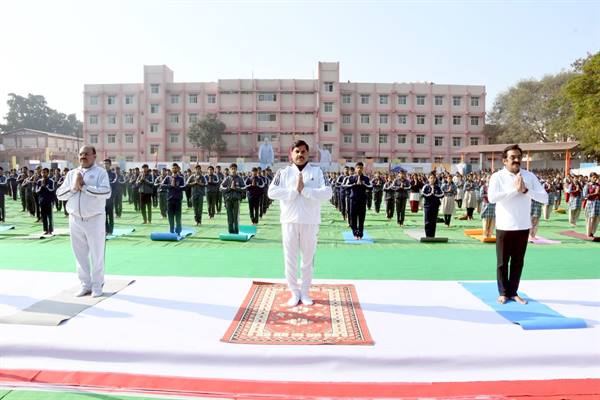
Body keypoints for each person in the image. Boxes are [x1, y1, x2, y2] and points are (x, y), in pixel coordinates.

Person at [268, 140, 332, 306]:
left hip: (310, 221)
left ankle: (304, 292)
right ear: (291, 154)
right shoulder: (283, 172)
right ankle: (294, 292)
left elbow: (328, 193)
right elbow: (271, 192)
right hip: (289, 221)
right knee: (290, 259)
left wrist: (305, 191)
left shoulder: (317, 172)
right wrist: (293, 191)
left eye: (303, 151)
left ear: (308, 153)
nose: (300, 154)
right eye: (297, 151)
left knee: (307, 260)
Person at [488, 144, 548, 305]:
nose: (516, 160)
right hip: (504, 226)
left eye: (518, 157)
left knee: (518, 262)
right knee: (502, 263)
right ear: (504, 160)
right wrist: (515, 190)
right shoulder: (497, 177)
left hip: (522, 225)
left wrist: (526, 190)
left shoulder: (529, 176)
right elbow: (492, 198)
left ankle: (513, 292)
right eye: (512, 157)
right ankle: (503, 293)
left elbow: (544, 198)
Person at [56, 145, 111, 298]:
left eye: (86, 154)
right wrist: (74, 188)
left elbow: (106, 192)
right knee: (79, 255)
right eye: (81, 154)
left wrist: (85, 187)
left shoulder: (100, 173)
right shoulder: (72, 174)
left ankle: (97, 285)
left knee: (97, 254)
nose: (83, 156)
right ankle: (85, 284)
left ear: (94, 156)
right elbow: (60, 194)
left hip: (94, 219)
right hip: (75, 219)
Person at [344, 162, 372, 239]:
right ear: (355, 169)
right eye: (358, 168)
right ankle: (355, 233)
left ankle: (360, 233)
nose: (359, 169)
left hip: (362, 200)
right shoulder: (351, 178)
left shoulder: (366, 178)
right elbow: (345, 186)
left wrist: (364, 185)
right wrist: (352, 185)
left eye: (361, 168)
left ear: (363, 169)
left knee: (361, 218)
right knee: (353, 217)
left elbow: (371, 187)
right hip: (353, 200)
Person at [220, 163, 246, 234]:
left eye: (235, 169)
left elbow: (244, 188)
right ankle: (230, 231)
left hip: (236, 200)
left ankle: (236, 231)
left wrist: (236, 188)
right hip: (228, 200)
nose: (233, 170)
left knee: (236, 216)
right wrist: (229, 188)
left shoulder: (240, 178)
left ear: (236, 170)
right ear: (230, 170)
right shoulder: (227, 178)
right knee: (229, 216)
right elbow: (221, 188)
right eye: (232, 169)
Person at [164, 163, 185, 235]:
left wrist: (177, 187)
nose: (174, 169)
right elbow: (162, 185)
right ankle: (171, 230)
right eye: (173, 168)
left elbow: (184, 187)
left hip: (178, 199)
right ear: (171, 169)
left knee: (178, 216)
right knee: (170, 216)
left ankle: (178, 230)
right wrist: (170, 185)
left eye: (176, 168)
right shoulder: (168, 178)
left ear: (178, 169)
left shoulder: (181, 178)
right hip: (170, 199)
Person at [421, 173, 444, 238]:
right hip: (427, 206)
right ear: (428, 179)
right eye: (431, 178)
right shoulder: (426, 186)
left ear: (435, 179)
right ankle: (427, 236)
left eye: (433, 178)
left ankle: (432, 236)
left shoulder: (438, 187)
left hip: (435, 206)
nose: (432, 179)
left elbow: (442, 194)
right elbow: (422, 194)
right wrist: (430, 194)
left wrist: (435, 195)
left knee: (433, 221)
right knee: (427, 221)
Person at [36, 168, 55, 235]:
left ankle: (50, 230)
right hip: (42, 201)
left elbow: (52, 190)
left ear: (48, 173)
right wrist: (41, 188)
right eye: (42, 172)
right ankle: (45, 230)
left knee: (50, 216)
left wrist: (46, 187)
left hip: (49, 201)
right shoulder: (39, 181)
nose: (43, 174)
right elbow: (36, 191)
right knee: (43, 216)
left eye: (45, 172)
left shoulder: (51, 181)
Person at [583, 172, 600, 238]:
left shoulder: (598, 185)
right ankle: (589, 233)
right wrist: (595, 193)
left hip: (598, 203)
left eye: (596, 177)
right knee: (590, 218)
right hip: (591, 203)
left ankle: (592, 232)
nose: (595, 179)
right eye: (593, 177)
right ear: (590, 178)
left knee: (597, 219)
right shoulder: (587, 185)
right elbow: (585, 196)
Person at [103, 159, 117, 236]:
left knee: (110, 215)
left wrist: (107, 183)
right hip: (102, 198)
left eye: (107, 163)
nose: (106, 165)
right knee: (103, 215)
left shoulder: (113, 174)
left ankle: (111, 231)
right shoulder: (101, 174)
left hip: (110, 198)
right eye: (104, 163)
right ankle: (106, 230)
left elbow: (114, 183)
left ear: (110, 164)